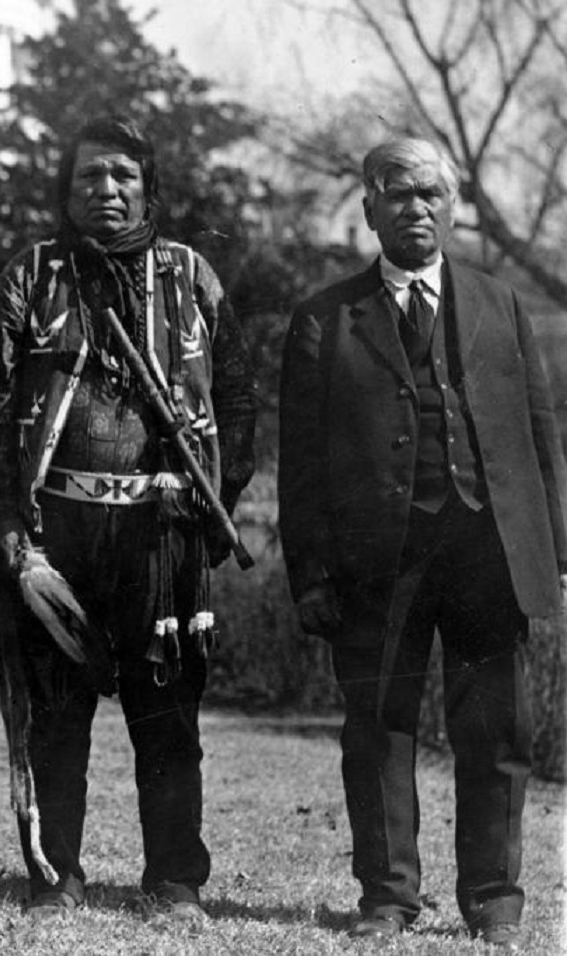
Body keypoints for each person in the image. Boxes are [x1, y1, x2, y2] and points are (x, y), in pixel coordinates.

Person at [279, 137, 566, 949]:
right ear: (368, 208)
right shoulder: (325, 318)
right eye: (398, 193)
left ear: (452, 206)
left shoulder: (499, 304)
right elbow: (298, 467)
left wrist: (557, 552)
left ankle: (494, 898)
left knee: (496, 731)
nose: (417, 208)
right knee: (376, 729)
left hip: (488, 553)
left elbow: (539, 437)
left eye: (431, 194)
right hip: (376, 562)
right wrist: (309, 576)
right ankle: (388, 898)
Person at [0, 116, 256, 925]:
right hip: (55, 532)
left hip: (163, 530)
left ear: (148, 189)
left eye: (122, 177)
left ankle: (173, 881)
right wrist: (2, 520)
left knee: (166, 711)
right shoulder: (33, 276)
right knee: (54, 714)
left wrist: (218, 503)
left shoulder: (190, 276)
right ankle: (55, 876)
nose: (106, 190)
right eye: (90, 176)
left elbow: (236, 397)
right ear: (67, 190)